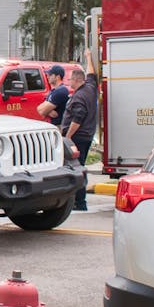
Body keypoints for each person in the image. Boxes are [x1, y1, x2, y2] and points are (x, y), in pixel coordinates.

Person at [60, 49, 98, 211]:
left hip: (78, 138)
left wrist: (68, 137)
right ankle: (78, 201)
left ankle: (80, 202)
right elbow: (91, 74)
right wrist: (89, 57)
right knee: (79, 167)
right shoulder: (90, 87)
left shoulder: (80, 96)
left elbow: (77, 119)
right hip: (87, 136)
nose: (69, 82)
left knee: (77, 168)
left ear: (76, 80)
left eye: (70, 80)